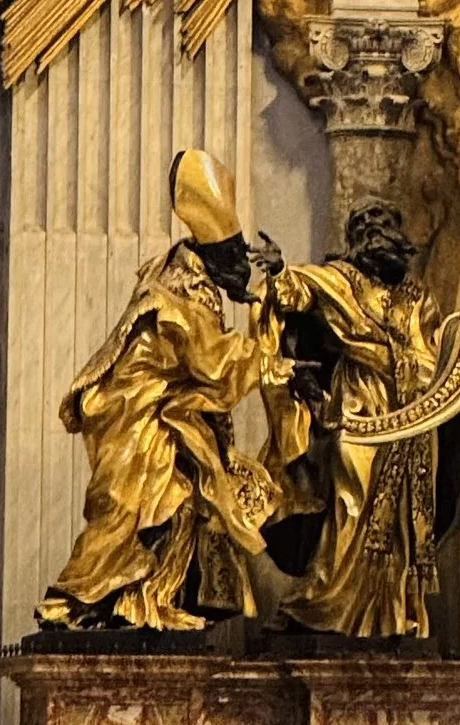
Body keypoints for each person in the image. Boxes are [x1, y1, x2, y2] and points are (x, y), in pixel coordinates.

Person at [38, 150, 295, 633]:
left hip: (156, 412)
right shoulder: (180, 295)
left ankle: (145, 599)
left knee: (182, 505)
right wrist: (275, 363)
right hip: (136, 416)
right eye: (232, 257)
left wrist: (260, 289)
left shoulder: (182, 274)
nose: (238, 268)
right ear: (212, 256)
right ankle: (75, 600)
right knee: (132, 513)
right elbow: (215, 362)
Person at [266, 204, 460, 639]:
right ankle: (327, 604)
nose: (384, 238)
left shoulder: (418, 298)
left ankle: (394, 616)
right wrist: (277, 269)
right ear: (360, 240)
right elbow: (294, 291)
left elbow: (439, 352)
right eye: (373, 230)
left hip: (416, 420)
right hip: (361, 409)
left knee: (404, 521)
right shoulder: (340, 281)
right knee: (350, 502)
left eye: (389, 228)